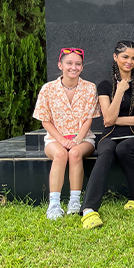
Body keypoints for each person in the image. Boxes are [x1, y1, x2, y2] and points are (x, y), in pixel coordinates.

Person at [80, 41, 134, 229]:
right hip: (110, 134)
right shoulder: (105, 86)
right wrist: (120, 90)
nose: (130, 61)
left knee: (124, 148)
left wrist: (116, 120)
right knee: (105, 152)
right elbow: (108, 119)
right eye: (125, 57)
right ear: (115, 57)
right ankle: (89, 209)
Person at [33, 47, 100, 220]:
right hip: (55, 138)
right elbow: (45, 120)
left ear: (82, 67)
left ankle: (75, 202)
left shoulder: (90, 88)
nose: (73, 67)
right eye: (69, 63)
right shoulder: (48, 89)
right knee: (61, 154)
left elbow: (88, 119)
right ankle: (54, 204)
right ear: (60, 65)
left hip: (83, 138)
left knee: (75, 153)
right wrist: (62, 139)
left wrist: (77, 139)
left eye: (78, 64)